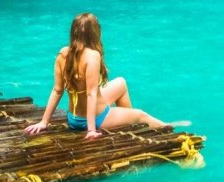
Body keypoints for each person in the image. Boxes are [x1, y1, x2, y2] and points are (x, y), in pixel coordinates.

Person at [24, 12, 175, 140]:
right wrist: (91, 130)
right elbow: (90, 94)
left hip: (73, 118)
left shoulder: (63, 54)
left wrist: (44, 122)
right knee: (141, 115)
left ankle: (129, 124)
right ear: (95, 34)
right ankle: (169, 129)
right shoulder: (92, 56)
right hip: (96, 119)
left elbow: (57, 90)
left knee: (121, 83)